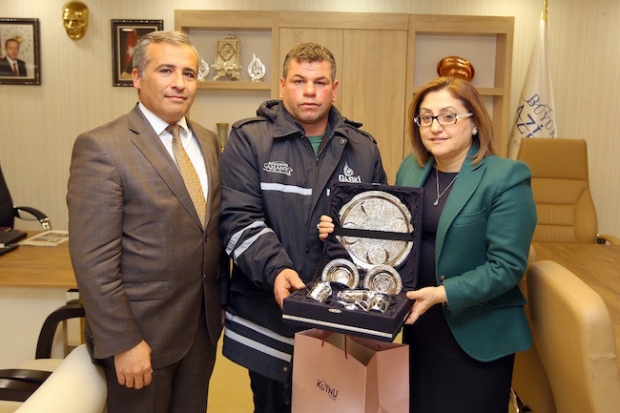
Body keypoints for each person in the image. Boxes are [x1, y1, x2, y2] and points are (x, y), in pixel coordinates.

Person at [321, 76, 536, 412]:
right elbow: (392, 235)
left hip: (475, 331)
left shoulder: (505, 177)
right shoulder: (412, 168)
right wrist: (344, 231)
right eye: (426, 117)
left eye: (449, 116)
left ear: (475, 123)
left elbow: (507, 267)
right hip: (420, 324)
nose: (435, 127)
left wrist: (443, 293)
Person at [219, 42, 387, 412]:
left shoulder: (364, 149)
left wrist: (347, 234)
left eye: (320, 82)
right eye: (299, 81)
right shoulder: (248, 139)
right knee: (272, 406)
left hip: (339, 318)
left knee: (335, 405)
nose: (309, 91)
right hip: (267, 312)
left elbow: (377, 228)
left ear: (334, 88)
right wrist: (277, 268)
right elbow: (237, 220)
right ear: (282, 85)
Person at [67, 30, 227, 413]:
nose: (179, 83)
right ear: (137, 78)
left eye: (189, 73)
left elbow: (210, 231)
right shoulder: (102, 147)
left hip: (200, 330)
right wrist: (123, 341)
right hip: (140, 338)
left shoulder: (208, 141)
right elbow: (93, 262)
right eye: (166, 70)